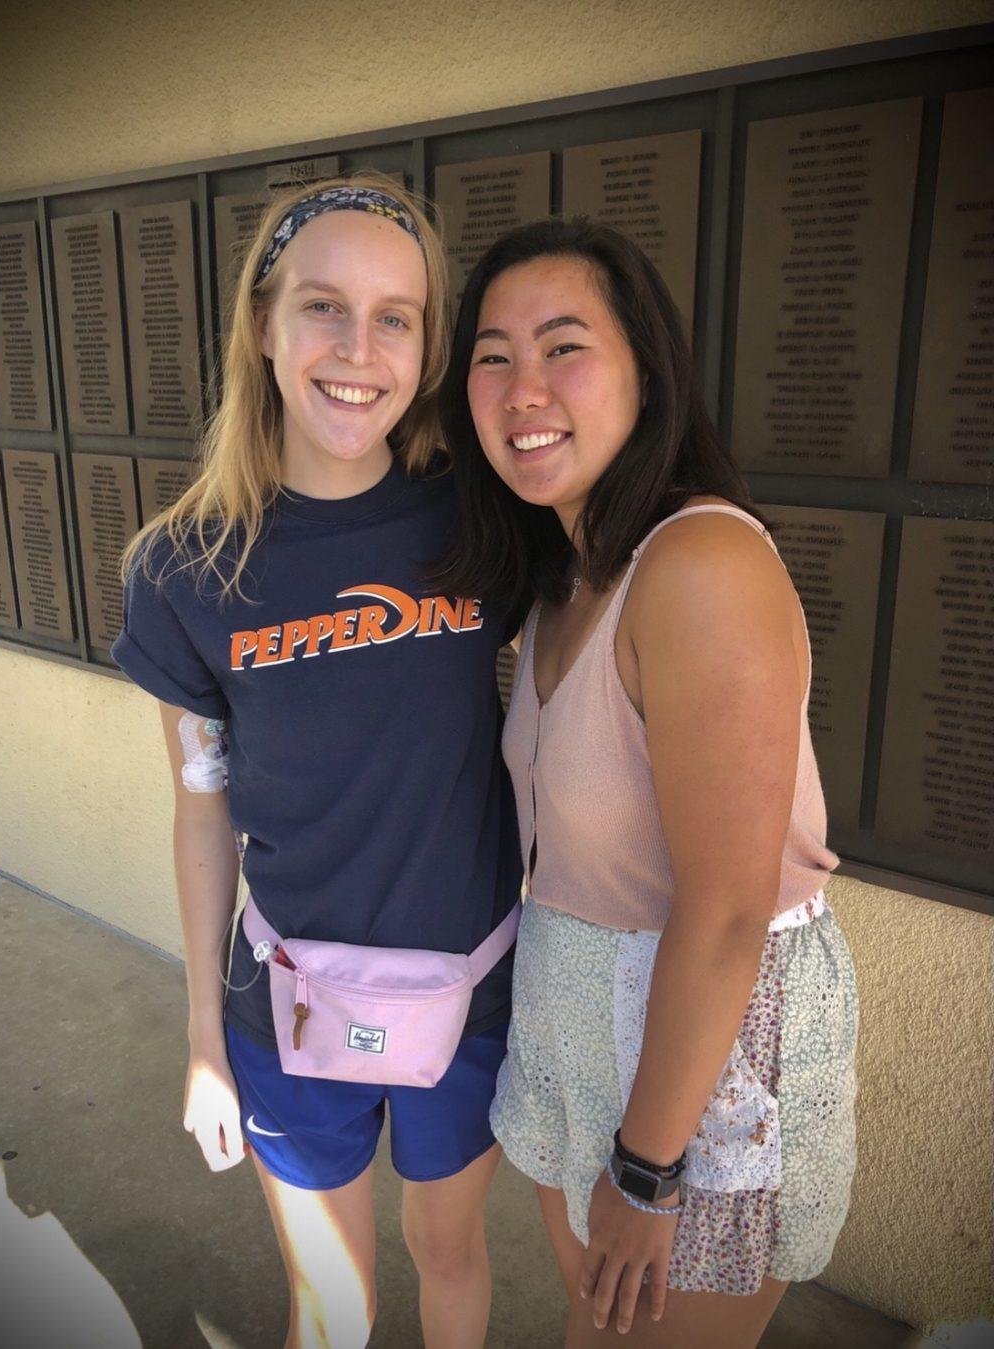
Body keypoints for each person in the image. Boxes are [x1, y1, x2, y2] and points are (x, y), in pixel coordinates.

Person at [113, 175, 522, 1349]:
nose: (359, 348)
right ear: (262, 324)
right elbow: (201, 806)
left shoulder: (482, 518)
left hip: (474, 985)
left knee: (448, 1255)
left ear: (429, 343)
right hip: (287, 998)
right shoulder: (183, 568)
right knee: (331, 1305)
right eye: (322, 307)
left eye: (396, 315)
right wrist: (201, 1036)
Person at [438, 217, 859, 1348]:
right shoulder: (563, 577)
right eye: (490, 354)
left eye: (563, 345)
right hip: (579, 1023)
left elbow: (724, 911)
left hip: (696, 1067)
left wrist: (647, 1169)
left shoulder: (700, 564)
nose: (523, 386)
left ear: (645, 372)